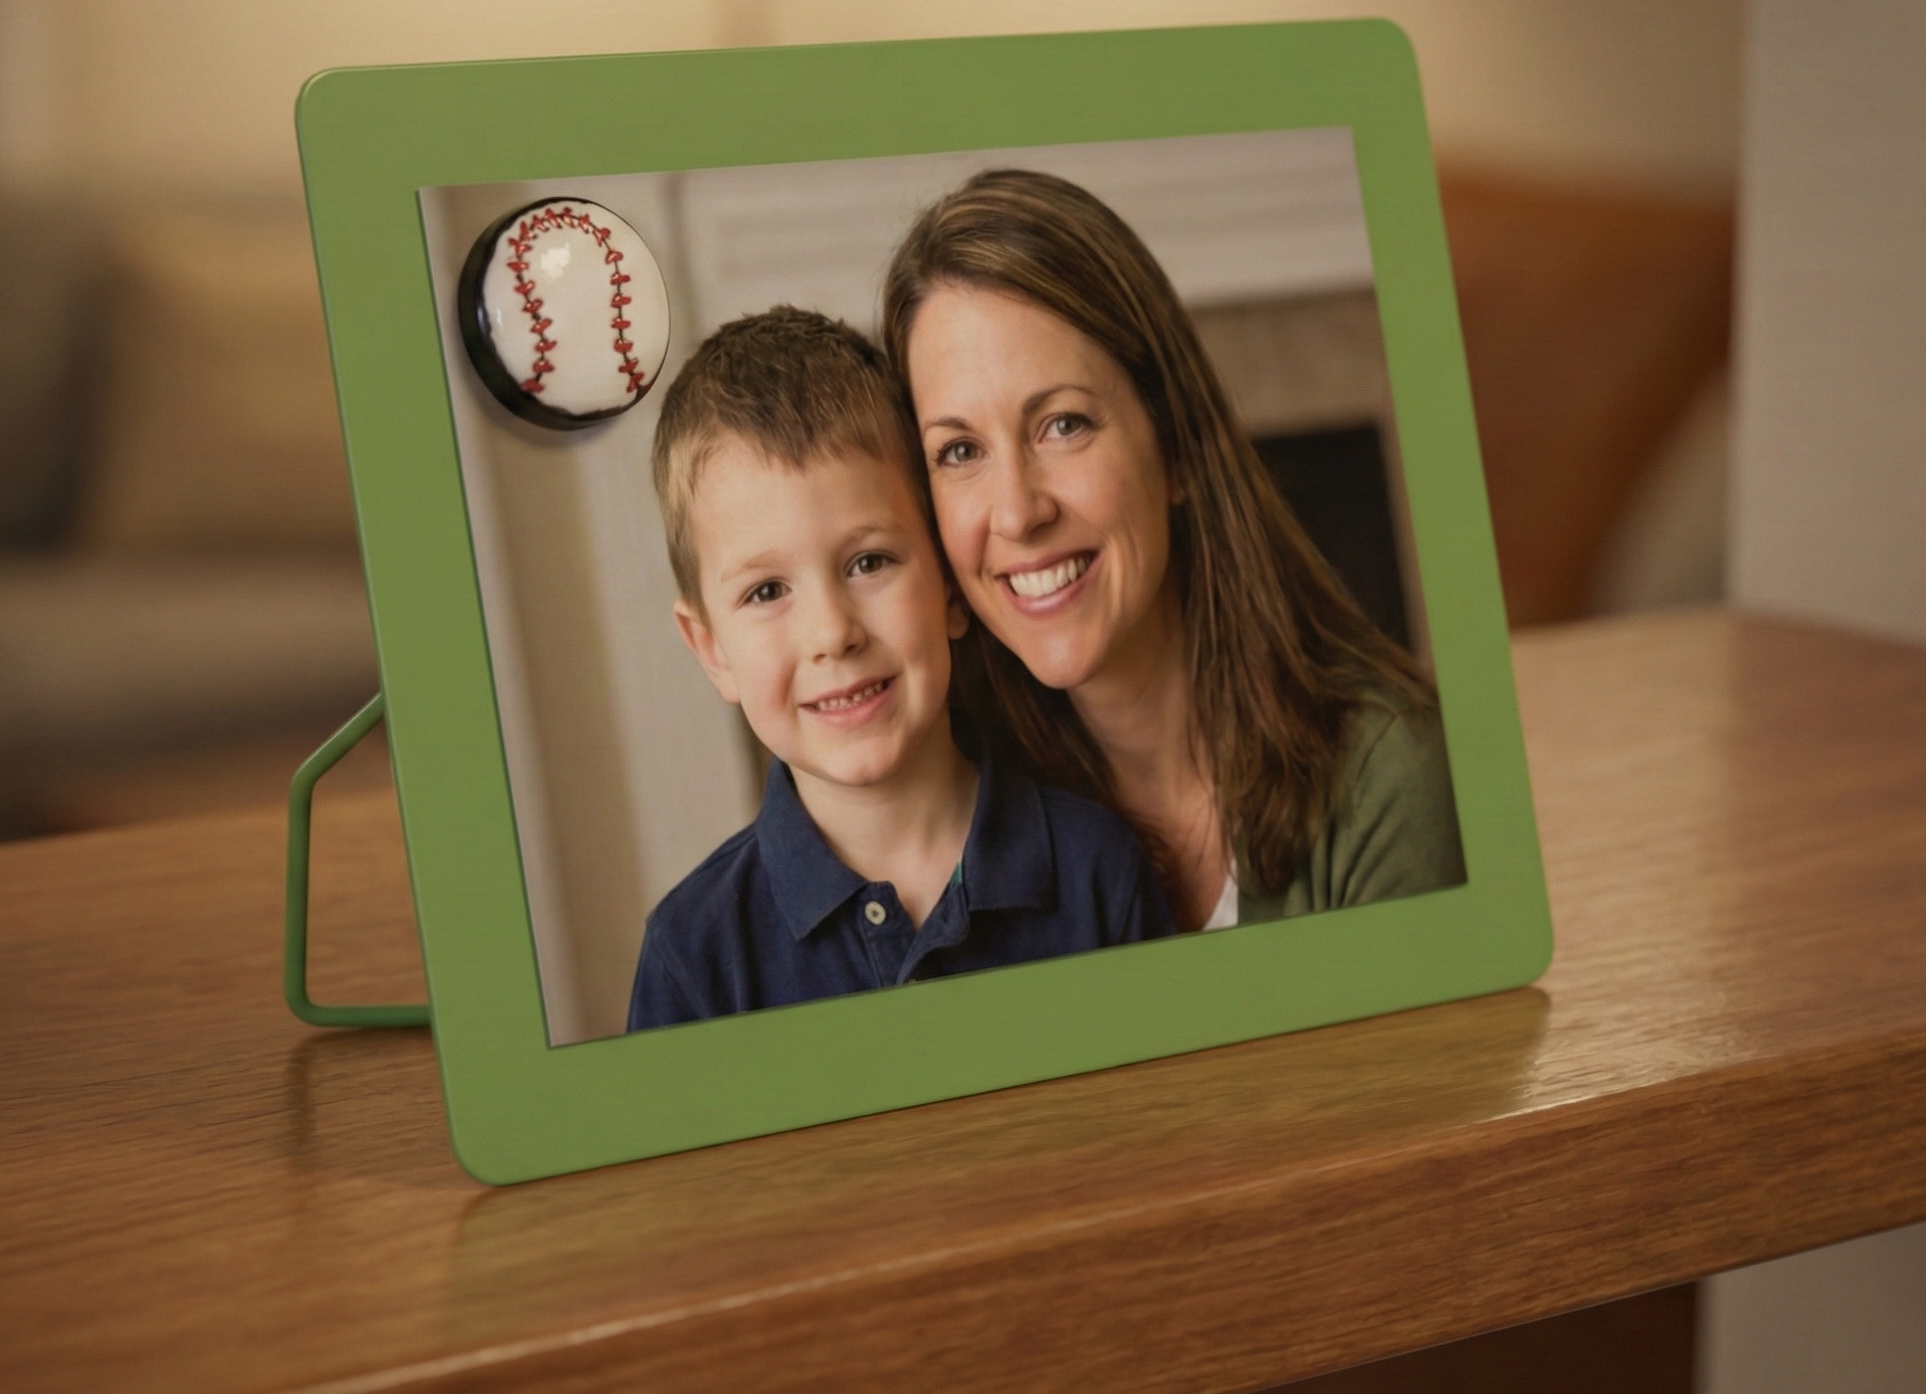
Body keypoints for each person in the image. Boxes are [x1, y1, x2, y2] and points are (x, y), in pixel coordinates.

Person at [881, 168, 1465, 934]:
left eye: (1064, 425)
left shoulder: (1391, 779)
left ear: (1179, 446)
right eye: (959, 450)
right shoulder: (955, 822)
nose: (1018, 513)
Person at [626, 306, 1174, 1032]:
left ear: (950, 585)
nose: (832, 633)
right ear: (712, 650)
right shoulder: (694, 954)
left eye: (868, 563)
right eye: (766, 592)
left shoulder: (1097, 869)